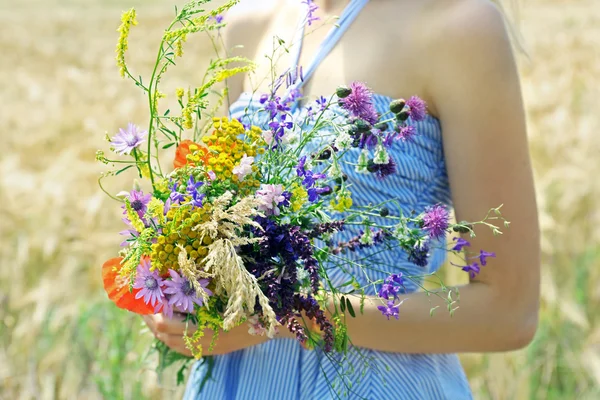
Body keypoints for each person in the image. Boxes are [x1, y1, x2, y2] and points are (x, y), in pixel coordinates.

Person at [142, 0, 540, 398]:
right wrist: (184, 287)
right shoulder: (248, 22)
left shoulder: (458, 24)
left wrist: (279, 316)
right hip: (233, 384)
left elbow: (508, 313)